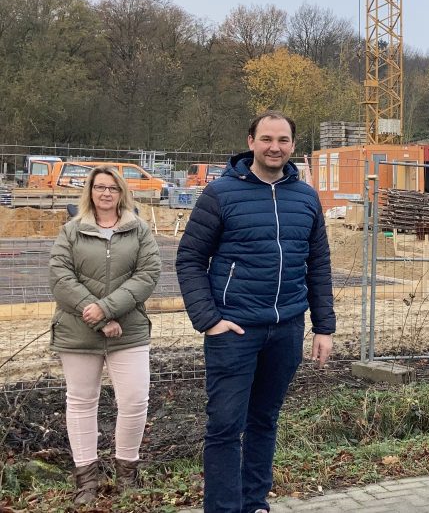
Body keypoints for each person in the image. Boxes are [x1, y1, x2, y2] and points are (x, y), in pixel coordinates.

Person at [176, 111, 337, 512]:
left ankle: (255, 503)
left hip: (286, 329)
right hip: (234, 331)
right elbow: (190, 259)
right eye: (266, 138)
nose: (274, 147)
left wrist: (324, 327)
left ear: (293, 146)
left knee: (264, 420)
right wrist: (209, 320)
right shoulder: (220, 194)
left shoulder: (306, 197)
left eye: (283, 140)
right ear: (250, 141)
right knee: (226, 427)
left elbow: (318, 263)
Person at [49, 166, 162, 505]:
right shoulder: (71, 231)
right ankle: (86, 480)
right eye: (99, 187)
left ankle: (127, 471)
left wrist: (108, 309)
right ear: (90, 192)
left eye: (112, 188)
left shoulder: (139, 230)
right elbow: (59, 278)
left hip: (128, 329)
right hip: (78, 331)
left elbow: (148, 275)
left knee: (135, 400)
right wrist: (98, 318)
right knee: (82, 403)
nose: (106, 194)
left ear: (122, 192)